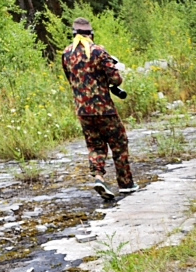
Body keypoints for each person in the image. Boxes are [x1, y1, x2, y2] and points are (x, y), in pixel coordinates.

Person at [61, 17, 138, 201]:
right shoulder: (98, 51)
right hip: (104, 109)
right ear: (91, 34)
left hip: (83, 111)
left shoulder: (66, 54)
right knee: (119, 142)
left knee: (95, 146)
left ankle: (99, 178)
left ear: (74, 34)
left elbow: (70, 79)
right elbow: (115, 79)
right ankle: (125, 184)